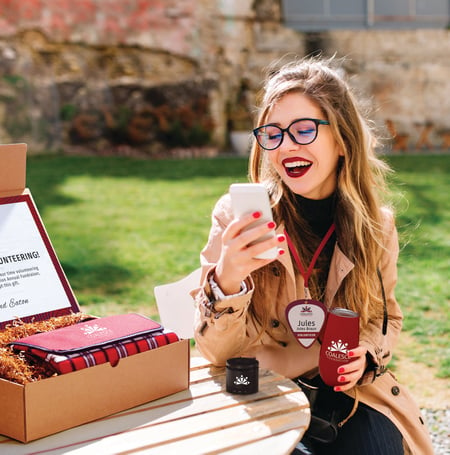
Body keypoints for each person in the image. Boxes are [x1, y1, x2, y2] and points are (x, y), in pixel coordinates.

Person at [192, 57, 433, 454]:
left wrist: (366, 355)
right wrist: (227, 279)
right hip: (263, 388)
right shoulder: (236, 218)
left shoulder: (376, 226)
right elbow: (216, 353)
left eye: (304, 130)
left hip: (349, 393)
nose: (286, 145)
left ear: (341, 140)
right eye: (273, 133)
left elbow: (384, 318)